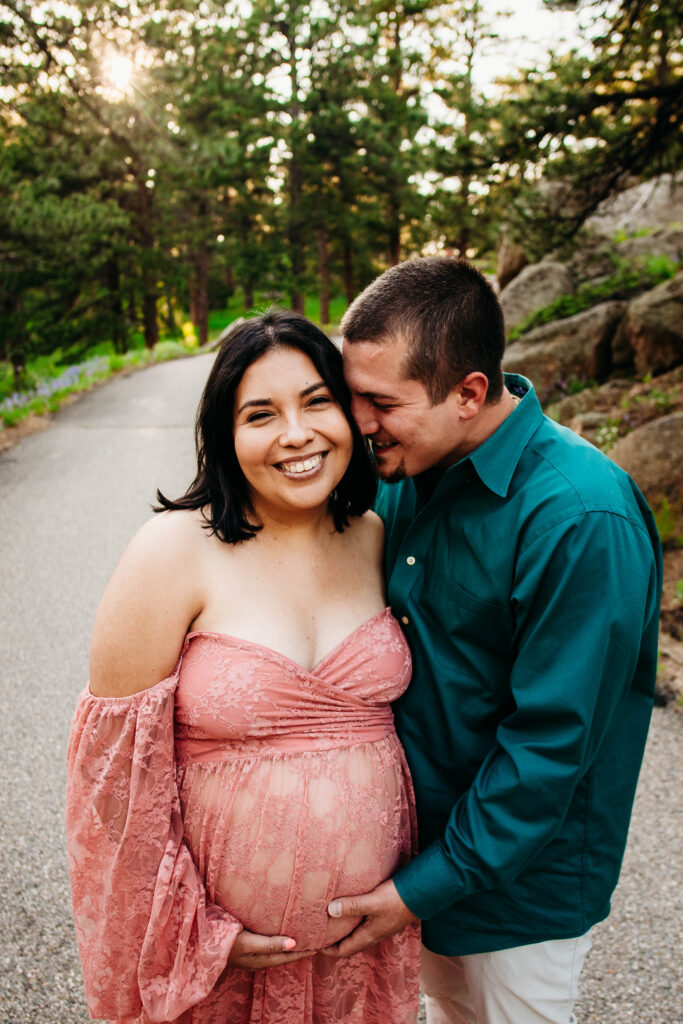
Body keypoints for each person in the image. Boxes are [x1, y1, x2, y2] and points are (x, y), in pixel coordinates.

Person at [322, 256, 663, 1024]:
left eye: (379, 401)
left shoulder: (580, 519)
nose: (357, 420)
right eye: (351, 396)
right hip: (417, 867)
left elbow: (547, 750)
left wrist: (420, 888)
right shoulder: (402, 469)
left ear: (469, 393)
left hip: (520, 899)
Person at [65, 309, 421, 1024]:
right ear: (225, 436)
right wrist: (194, 933)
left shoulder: (375, 537)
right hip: (216, 960)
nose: (296, 434)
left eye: (317, 401)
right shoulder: (172, 551)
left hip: (361, 948)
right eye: (261, 414)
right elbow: (112, 785)